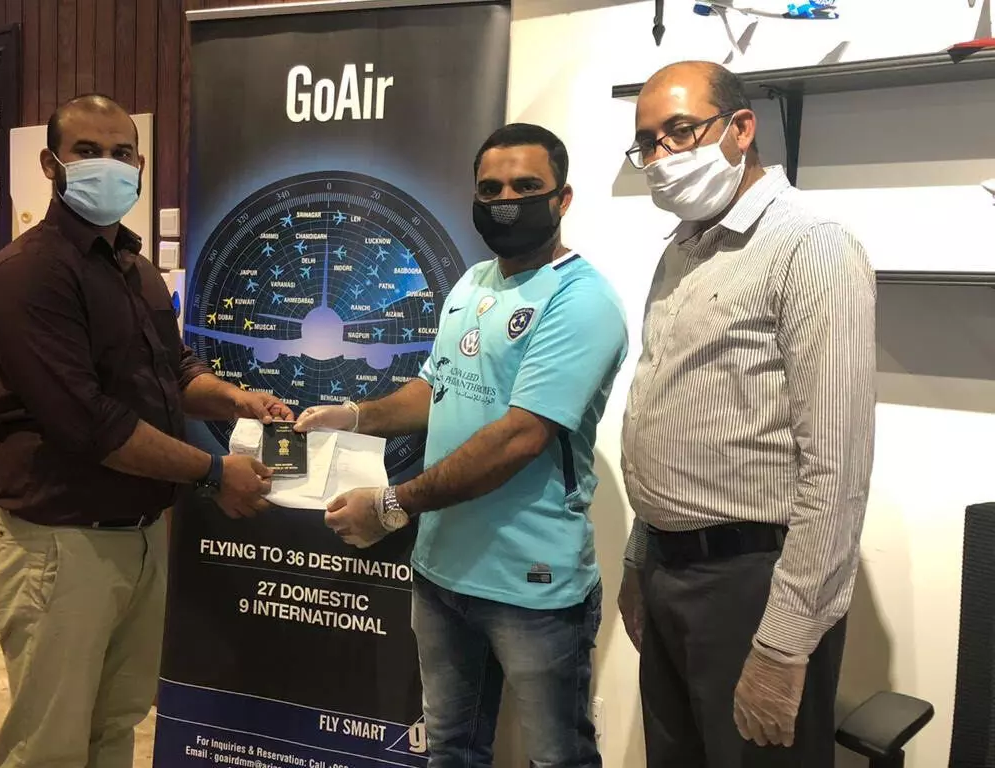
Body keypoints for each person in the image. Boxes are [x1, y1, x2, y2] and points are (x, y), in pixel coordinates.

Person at [293, 123, 627, 768]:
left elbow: (519, 437)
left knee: (557, 756)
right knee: (450, 749)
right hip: (441, 571)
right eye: (490, 189)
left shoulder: (582, 300)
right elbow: (435, 388)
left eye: (526, 187)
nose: (506, 201)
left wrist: (391, 505)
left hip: (530, 582)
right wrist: (355, 415)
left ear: (563, 199)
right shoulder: (473, 283)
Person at [0, 93, 293, 768]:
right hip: (61, 543)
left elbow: (173, 371)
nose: (108, 165)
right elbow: (92, 423)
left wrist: (239, 401)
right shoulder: (30, 273)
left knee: (116, 721)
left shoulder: (134, 267)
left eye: (121, 153)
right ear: (51, 164)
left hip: (140, 535)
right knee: (49, 744)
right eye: (87, 151)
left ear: (141, 164)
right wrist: (214, 473)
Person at [618, 61, 876, 768]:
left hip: (752, 583)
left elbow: (837, 469)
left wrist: (784, 643)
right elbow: (669, 414)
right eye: (648, 142)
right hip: (669, 571)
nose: (662, 157)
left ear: (740, 129)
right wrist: (641, 558)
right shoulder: (682, 248)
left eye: (680, 132)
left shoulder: (811, 244)